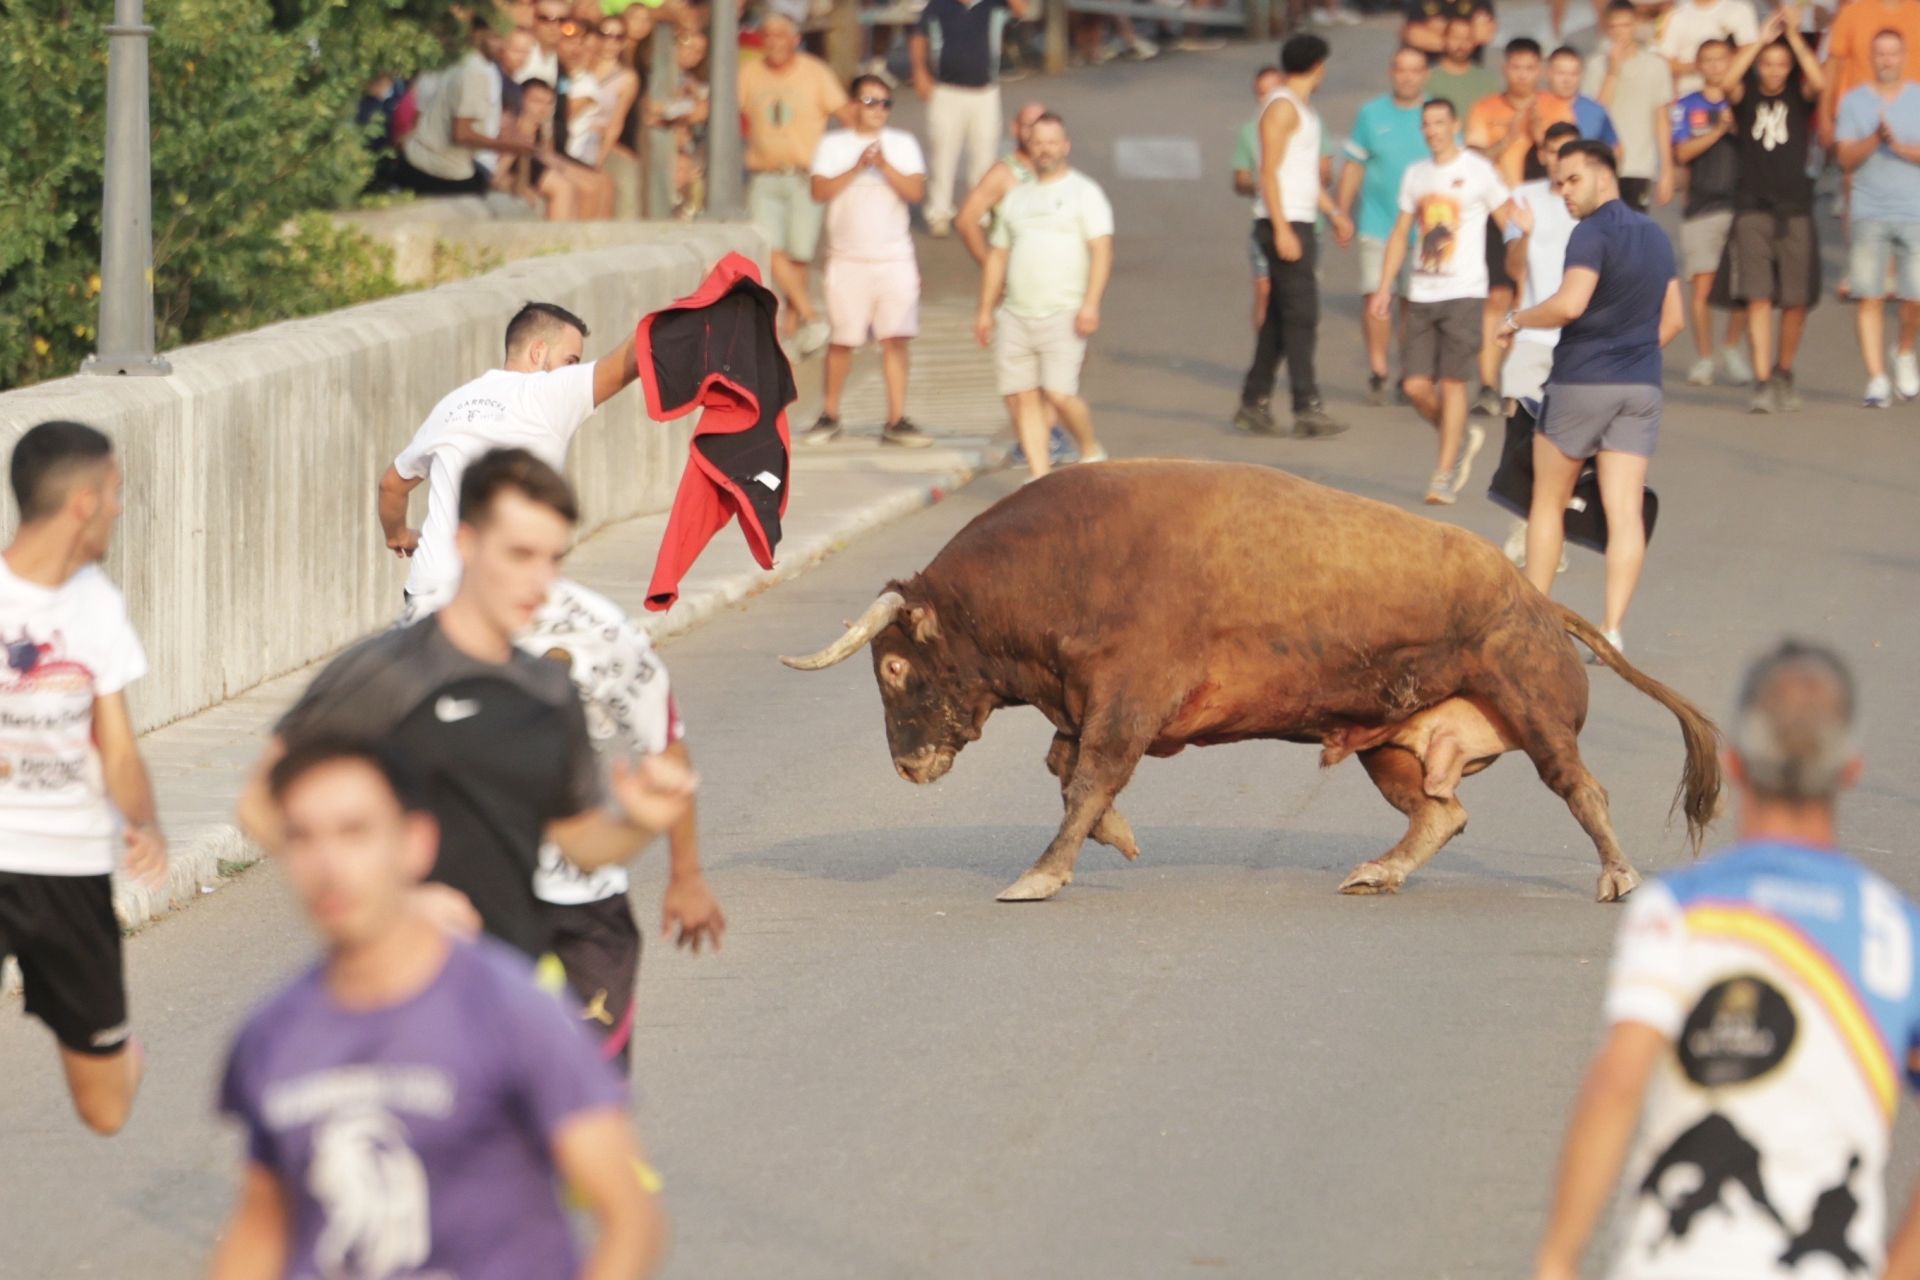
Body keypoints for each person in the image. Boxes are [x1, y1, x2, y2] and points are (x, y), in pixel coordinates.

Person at [1532, 641, 1920, 1280]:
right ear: (1850, 770)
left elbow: (1619, 1081)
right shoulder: (1895, 932)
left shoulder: (1680, 912)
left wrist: (1557, 1257)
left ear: (1735, 766)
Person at [210, 739, 665, 1280]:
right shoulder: (271, 1035)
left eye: (355, 832)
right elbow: (263, 1227)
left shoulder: (513, 1011)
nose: (328, 865)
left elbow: (630, 1219)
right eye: (303, 838)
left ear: (416, 844)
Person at [239, 450, 699, 963]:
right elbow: (259, 802)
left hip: (527, 972)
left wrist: (640, 823)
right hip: (413, 973)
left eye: (553, 559)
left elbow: (579, 841)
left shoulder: (551, 687)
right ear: (466, 543)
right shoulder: (390, 670)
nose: (540, 581)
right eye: (520, 555)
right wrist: (391, 899)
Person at [0, 422, 166, 1137]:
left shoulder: (97, 603)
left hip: (68, 868)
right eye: (115, 493)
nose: (120, 509)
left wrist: (145, 822)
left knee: (106, 1111)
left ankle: (121, 1050)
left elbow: (119, 749)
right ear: (81, 503)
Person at [1497, 141, 1684, 653]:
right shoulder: (1656, 235)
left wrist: (1516, 318)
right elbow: (1674, 320)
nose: (1563, 193)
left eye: (1573, 180)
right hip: (1640, 388)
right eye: (1558, 183)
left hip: (1581, 383)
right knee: (1625, 511)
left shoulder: (1591, 232)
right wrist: (1632, 354)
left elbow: (1570, 304)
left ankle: (1532, 625)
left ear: (1605, 178)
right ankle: (1613, 630)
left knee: (1547, 502)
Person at [378, 302, 638, 618]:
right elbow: (635, 353)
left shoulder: (454, 402)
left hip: (428, 593)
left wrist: (399, 536)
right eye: (570, 361)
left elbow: (391, 485)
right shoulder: (548, 393)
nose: (573, 372)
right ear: (538, 351)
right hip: (496, 595)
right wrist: (705, 295)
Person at [1373, 97, 1513, 504]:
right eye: (1426, 124)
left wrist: (1521, 272)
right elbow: (1400, 233)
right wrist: (1385, 287)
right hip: (1420, 290)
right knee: (1416, 386)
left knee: (1454, 383)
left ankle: (1442, 474)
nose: (1432, 130)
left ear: (1454, 125)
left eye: (1439, 122)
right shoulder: (1416, 174)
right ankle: (1459, 436)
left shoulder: (1478, 170)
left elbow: (1508, 222)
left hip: (1465, 291)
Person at [973, 113, 1113, 480]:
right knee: (1023, 397)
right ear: (1027, 148)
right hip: (1017, 313)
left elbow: (1101, 249)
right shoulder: (1016, 198)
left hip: (1063, 310)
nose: (1045, 149)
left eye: (1052, 142)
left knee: (1059, 393)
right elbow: (998, 255)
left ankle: (1089, 448)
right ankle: (1040, 476)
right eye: (1038, 143)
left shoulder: (1084, 192)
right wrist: (986, 310)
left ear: (1065, 146)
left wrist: (1091, 303)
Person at [802, 74, 934, 447]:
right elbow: (818, 191)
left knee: (895, 338)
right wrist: (858, 167)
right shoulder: (833, 144)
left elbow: (915, 191)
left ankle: (896, 418)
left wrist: (885, 165)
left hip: (894, 256)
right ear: (855, 105)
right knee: (843, 338)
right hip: (847, 258)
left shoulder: (903, 144)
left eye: (885, 103)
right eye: (870, 101)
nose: (878, 110)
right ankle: (830, 414)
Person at [1232, 34, 1353, 440]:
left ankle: (1254, 401)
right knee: (1303, 316)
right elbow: (1267, 172)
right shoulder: (1282, 107)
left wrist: (1334, 211)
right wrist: (1282, 229)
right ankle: (1307, 406)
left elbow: (1301, 175)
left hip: (1301, 218)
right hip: (1282, 222)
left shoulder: (1304, 111)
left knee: (1281, 321)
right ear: (1317, 65)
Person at [954, 100, 1075, 469]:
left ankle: (1046, 433)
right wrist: (991, 263)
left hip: (1058, 287)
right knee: (1020, 370)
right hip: (1016, 289)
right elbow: (966, 219)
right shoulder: (1004, 174)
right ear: (1016, 129)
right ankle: (1036, 439)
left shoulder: (1057, 173)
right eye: (1027, 126)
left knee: (1059, 369)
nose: (1034, 134)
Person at [1725, 11, 1826, 413]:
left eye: (1780, 64)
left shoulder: (1798, 99)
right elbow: (1726, 83)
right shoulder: (1746, 98)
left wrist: (1796, 42)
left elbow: (1818, 82)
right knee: (1758, 296)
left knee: (1795, 299)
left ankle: (1785, 370)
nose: (1773, 71)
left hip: (1794, 208)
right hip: (1753, 206)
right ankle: (1762, 380)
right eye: (1768, 64)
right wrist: (1758, 43)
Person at [739, 11, 854, 356]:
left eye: (780, 35)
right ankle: (810, 315)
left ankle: (790, 333)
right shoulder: (749, 74)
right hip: (764, 175)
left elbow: (845, 114)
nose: (773, 42)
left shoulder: (815, 73)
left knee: (799, 256)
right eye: (767, 36)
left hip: (804, 177)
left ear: (795, 39)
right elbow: (720, 109)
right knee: (768, 247)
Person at [1469, 39, 1573, 417]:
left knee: (1538, 294)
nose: (1523, 75)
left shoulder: (1555, 106)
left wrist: (1538, 127)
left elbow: (1569, 154)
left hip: (1550, 214)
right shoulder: (1486, 109)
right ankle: (1487, 383)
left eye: (1531, 67)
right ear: (1505, 68)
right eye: (1516, 67)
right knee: (1498, 298)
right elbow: (1475, 160)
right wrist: (1512, 134)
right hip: (1503, 213)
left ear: (1540, 70)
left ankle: (1535, 377)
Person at [1497, 123, 1582, 575]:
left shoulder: (1591, 204)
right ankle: (1521, 524)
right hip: (1532, 335)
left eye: (1566, 151)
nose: (1557, 159)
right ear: (1543, 155)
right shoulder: (1525, 195)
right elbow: (1513, 268)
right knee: (1517, 429)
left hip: (1576, 340)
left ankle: (1553, 529)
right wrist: (1525, 233)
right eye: (1551, 151)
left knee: (1565, 441)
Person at [1338, 47, 1431, 405]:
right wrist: (1343, 211)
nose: (1407, 76)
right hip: (1378, 222)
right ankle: (1378, 367)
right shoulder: (1371, 114)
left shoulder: (1436, 114)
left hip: (1424, 231)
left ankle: (1407, 370)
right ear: (1392, 72)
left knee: (1412, 301)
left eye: (1415, 70)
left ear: (1425, 74)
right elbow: (1354, 165)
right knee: (1375, 297)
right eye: (1401, 69)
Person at [1835, 28, 1920, 405]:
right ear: (1871, 58)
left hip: (1914, 210)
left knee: (1914, 296)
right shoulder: (1854, 102)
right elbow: (1844, 159)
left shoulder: (1918, 98)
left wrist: (1899, 146)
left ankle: (1903, 352)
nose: (1887, 60)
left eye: (1893, 53)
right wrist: (1874, 140)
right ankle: (1876, 379)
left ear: (1904, 57)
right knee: (1868, 294)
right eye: (1880, 54)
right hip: (1870, 210)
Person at [1671, 37, 1756, 385]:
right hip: (1702, 206)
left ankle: (1732, 347)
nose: (1716, 66)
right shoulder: (1687, 105)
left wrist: (1735, 126)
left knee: (1748, 285)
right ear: (1699, 65)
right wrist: (1718, 129)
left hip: (1744, 205)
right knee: (1703, 286)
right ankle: (1704, 357)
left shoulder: (1745, 103)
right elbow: (1682, 153)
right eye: (1708, 60)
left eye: (1722, 59)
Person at [910, 0, 1029, 238]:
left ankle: (979, 212)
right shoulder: (938, 6)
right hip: (945, 90)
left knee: (984, 152)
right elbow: (918, 37)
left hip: (985, 92)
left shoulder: (994, 6)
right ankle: (939, 213)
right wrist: (920, 72)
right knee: (942, 153)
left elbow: (1021, 9)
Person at [1585, 2, 1678, 211]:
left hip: (1639, 166)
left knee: (1633, 236)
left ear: (1635, 25)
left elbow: (1662, 120)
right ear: (1607, 29)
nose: (1620, 33)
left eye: (1626, 25)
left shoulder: (1656, 66)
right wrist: (1612, 72)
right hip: (1602, 166)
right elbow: (1595, 114)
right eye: (1614, 27)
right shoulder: (1596, 65)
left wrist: (1666, 171)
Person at [1818, 0, 1920, 145]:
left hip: (1912, 123)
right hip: (1858, 124)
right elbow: (1832, 68)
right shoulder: (1852, 13)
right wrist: (1824, 118)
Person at [1234, 66, 1289, 337]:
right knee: (1265, 291)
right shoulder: (1249, 131)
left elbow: (1324, 173)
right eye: (1261, 94)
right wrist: (1255, 183)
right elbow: (1239, 178)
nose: (1267, 99)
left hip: (1303, 222)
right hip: (1264, 222)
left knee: (1295, 297)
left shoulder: (1307, 122)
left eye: (1274, 91)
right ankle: (1265, 354)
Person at [1661, 0, 1761, 92]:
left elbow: (1749, 51)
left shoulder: (1740, 9)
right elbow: (1666, 62)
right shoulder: (1676, 14)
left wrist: (1718, 68)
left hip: (1730, 95)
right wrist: (1704, 66)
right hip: (1689, 95)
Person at [1547, 46, 1624, 157]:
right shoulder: (1535, 106)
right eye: (1561, 73)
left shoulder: (1595, 111)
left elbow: (1616, 150)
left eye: (1573, 74)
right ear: (1548, 73)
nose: (1567, 80)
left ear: (1581, 74)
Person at [1426, 17, 1501, 122]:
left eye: (1467, 38)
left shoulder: (1487, 80)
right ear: (1444, 39)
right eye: (1455, 37)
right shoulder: (1427, 77)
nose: (1461, 44)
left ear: (1474, 42)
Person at [1403, 0, 1497, 59]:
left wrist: (1440, 31)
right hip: (1431, 72)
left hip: (1470, 71)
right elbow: (1413, 35)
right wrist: (1466, 35)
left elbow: (1484, 34)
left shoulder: (1480, 2)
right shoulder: (1420, 2)